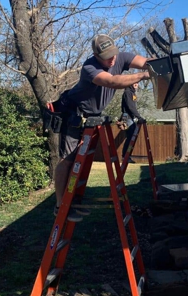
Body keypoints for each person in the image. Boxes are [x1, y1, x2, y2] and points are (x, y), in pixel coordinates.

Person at [54, 34, 150, 221]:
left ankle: (74, 198)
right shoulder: (90, 68)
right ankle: (60, 205)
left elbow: (145, 61)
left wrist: (162, 64)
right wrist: (144, 75)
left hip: (92, 117)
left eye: (113, 54)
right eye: (107, 56)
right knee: (67, 160)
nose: (112, 59)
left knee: (79, 161)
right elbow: (112, 81)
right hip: (75, 115)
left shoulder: (121, 57)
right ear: (96, 55)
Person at [120, 83, 144, 163]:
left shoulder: (132, 93)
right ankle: (125, 156)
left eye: (137, 83)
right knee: (130, 138)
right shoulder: (128, 92)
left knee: (131, 138)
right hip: (127, 117)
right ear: (130, 83)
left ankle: (127, 156)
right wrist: (139, 117)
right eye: (134, 83)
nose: (136, 84)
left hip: (131, 118)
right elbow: (130, 107)